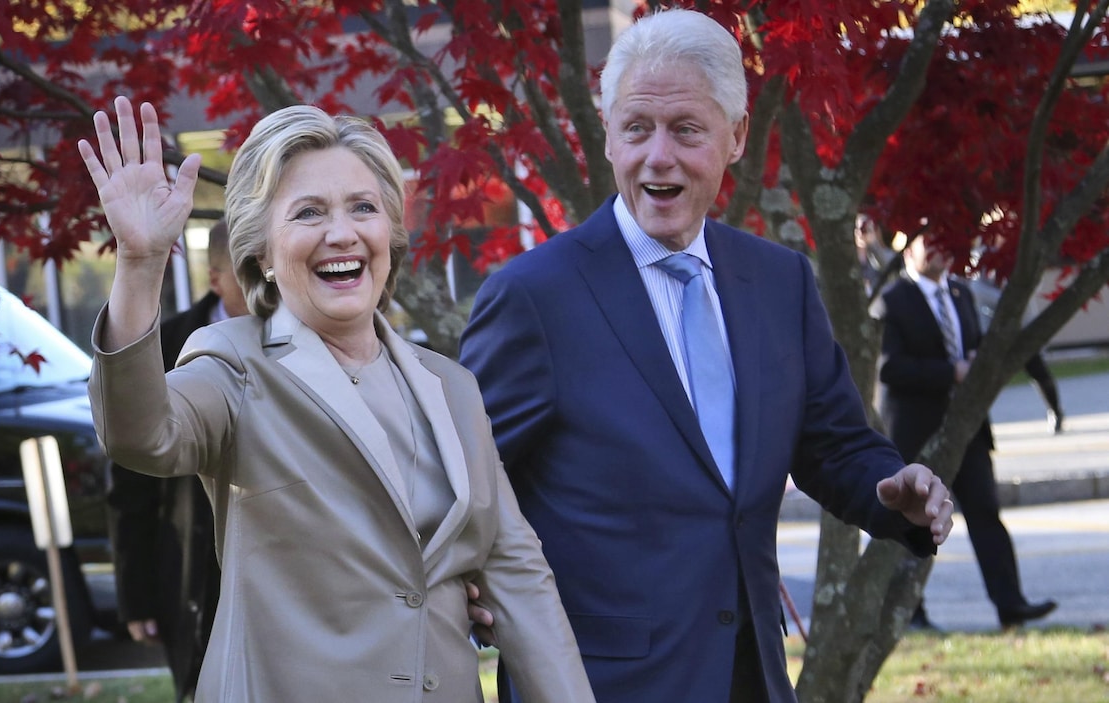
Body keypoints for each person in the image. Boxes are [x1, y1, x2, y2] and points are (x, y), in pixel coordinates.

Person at [457, 10, 955, 703]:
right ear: (608, 137)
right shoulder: (534, 297)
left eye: (686, 130)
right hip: (596, 683)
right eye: (637, 129)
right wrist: (473, 591)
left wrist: (894, 488)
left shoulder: (779, 282)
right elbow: (465, 489)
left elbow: (834, 444)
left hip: (750, 674)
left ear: (737, 135)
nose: (658, 156)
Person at [78, 96, 595, 702]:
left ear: (390, 234)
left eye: (363, 208)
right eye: (308, 213)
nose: (341, 233)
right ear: (262, 254)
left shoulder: (451, 387)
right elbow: (142, 435)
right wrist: (140, 265)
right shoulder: (234, 362)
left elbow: (516, 575)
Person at [874, 233, 1057, 631]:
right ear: (908, 251)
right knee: (912, 522)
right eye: (929, 241)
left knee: (986, 515)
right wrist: (950, 372)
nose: (941, 248)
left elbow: (974, 345)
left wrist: (975, 360)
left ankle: (1011, 604)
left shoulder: (960, 292)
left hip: (967, 429)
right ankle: (910, 613)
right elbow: (889, 368)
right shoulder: (892, 300)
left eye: (946, 239)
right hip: (915, 433)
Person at [104, 219, 246, 702]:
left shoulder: (302, 342)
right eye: (244, 272)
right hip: (190, 563)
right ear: (215, 277)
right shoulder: (164, 344)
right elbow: (130, 483)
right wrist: (136, 592)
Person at [965, 273, 1066, 433]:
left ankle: (1055, 411)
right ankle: (973, 422)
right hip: (993, 335)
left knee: (1040, 373)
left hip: (1023, 331)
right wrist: (1016, 291)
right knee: (986, 380)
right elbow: (993, 296)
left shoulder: (1019, 263)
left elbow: (1033, 285)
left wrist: (1018, 288)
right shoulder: (980, 275)